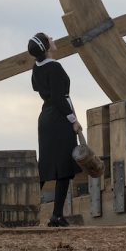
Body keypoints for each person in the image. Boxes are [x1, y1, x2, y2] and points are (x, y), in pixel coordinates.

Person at [28, 32, 81, 227]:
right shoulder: (55, 67)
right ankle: (56, 215)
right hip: (59, 119)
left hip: (45, 118)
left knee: (46, 167)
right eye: (50, 38)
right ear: (46, 46)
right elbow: (60, 98)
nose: (53, 39)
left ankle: (27, 211)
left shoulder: (36, 68)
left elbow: (37, 88)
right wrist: (73, 120)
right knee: (64, 168)